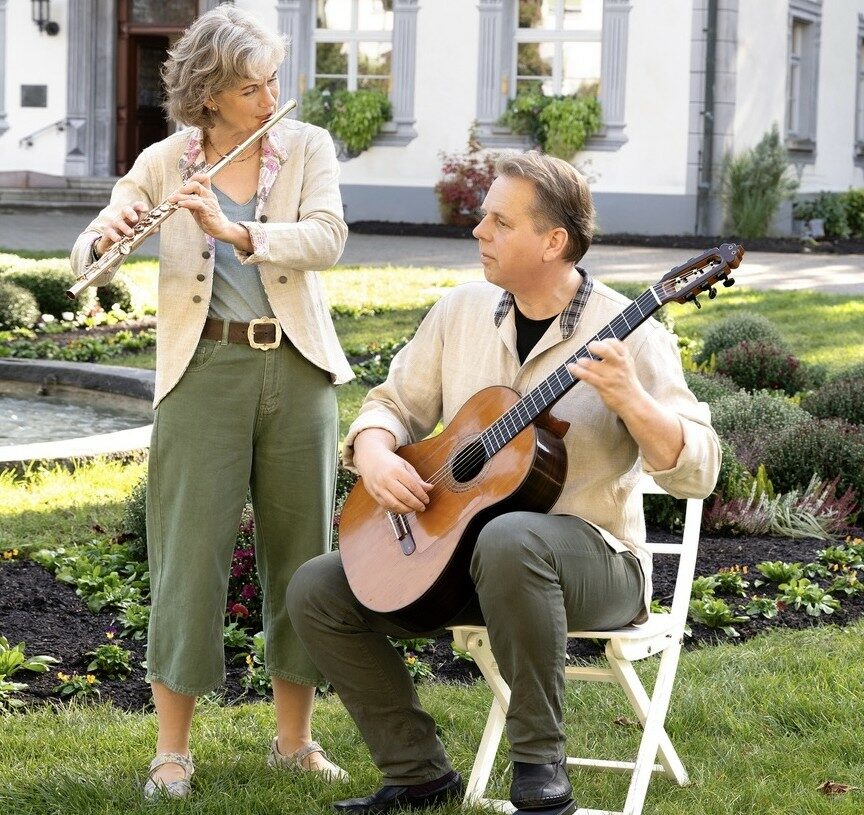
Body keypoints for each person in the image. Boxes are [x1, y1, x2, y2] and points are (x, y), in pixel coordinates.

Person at [287, 151, 721, 813]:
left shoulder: (630, 331)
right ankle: (416, 773)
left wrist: (633, 399)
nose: (478, 232)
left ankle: (540, 769)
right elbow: (391, 403)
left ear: (554, 241)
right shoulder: (461, 311)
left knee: (513, 537)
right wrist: (375, 451)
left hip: (595, 567)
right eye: (483, 218)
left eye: (499, 221)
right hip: (473, 563)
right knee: (317, 586)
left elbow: (698, 468)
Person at [69, 5, 353, 801]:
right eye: (252, 87)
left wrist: (239, 232)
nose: (271, 98)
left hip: (295, 367)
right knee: (187, 555)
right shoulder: (164, 161)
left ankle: (294, 740)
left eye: (272, 82)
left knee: (303, 555)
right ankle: (171, 751)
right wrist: (105, 238)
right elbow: (84, 258)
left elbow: (328, 238)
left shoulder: (306, 149)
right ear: (211, 93)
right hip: (202, 372)